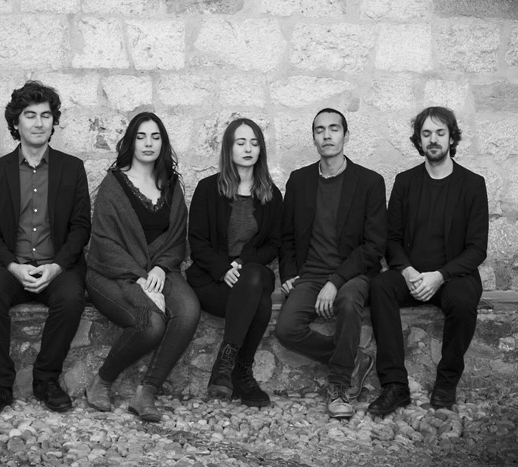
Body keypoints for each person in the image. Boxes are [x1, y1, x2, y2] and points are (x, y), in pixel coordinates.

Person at [0, 81, 91, 418]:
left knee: (71, 299)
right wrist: (13, 266)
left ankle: (46, 380)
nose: (39, 123)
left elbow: (81, 227)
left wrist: (57, 267)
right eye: (30, 115)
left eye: (46, 115)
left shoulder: (72, 168)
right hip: (11, 265)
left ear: (54, 121)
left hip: (58, 266)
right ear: (16, 122)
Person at [367, 107, 489, 416]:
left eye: (440, 133)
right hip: (411, 275)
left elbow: (477, 249)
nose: (433, 139)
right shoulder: (405, 182)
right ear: (419, 141)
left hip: (452, 277)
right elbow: (391, 239)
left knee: (464, 302)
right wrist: (407, 271)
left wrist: (440, 276)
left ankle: (447, 381)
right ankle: (395, 385)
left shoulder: (472, 184)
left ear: (452, 138)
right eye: (426, 134)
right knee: (380, 287)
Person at [84, 112, 200, 422]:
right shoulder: (113, 184)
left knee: (188, 311)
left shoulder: (172, 184)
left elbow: (177, 237)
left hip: (160, 270)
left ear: (163, 143)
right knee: (151, 324)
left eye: (155, 137)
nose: (148, 143)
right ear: (131, 142)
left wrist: (161, 267)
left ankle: (146, 392)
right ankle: (101, 381)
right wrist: (138, 276)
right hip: (111, 272)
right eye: (141, 136)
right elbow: (104, 241)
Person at [275, 108, 386, 418]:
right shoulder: (299, 180)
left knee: (348, 303)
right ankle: (353, 360)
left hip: (353, 274)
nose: (327, 135)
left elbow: (374, 246)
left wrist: (335, 282)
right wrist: (288, 273)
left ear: (345, 136)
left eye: (334, 129)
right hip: (310, 275)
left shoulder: (369, 182)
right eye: (320, 130)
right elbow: (287, 235)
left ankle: (339, 386)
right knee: (286, 329)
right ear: (314, 138)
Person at [187, 118, 282, 408]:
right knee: (260, 302)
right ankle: (241, 372)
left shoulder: (271, 194)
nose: (248, 149)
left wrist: (240, 263)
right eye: (241, 143)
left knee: (253, 277)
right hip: (212, 280)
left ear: (261, 150)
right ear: (229, 148)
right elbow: (197, 241)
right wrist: (222, 269)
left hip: (252, 273)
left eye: (254, 143)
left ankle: (224, 365)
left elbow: (274, 244)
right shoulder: (207, 189)